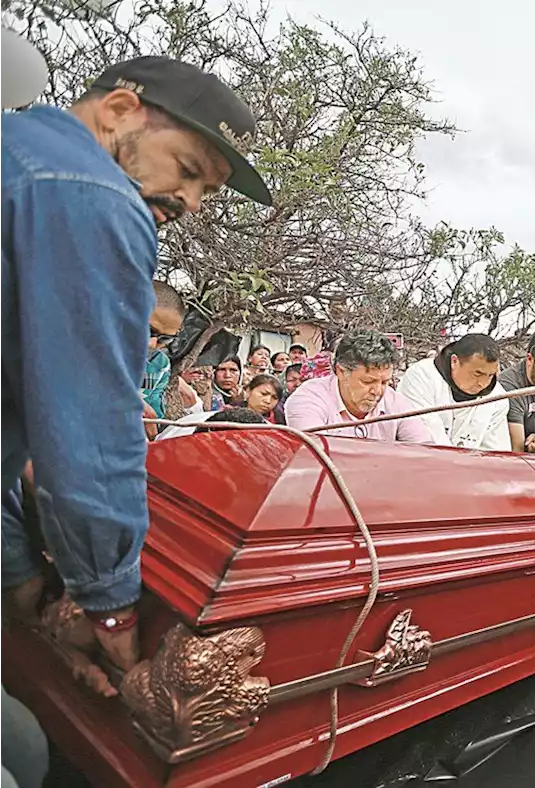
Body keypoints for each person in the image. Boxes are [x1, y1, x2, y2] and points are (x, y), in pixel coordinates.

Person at [0, 54, 270, 699]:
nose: (190, 202)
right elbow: (90, 437)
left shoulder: (17, 149)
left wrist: (16, 571)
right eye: (187, 170)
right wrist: (112, 604)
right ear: (120, 111)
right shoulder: (92, 194)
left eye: (207, 189)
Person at [285, 330, 433, 443]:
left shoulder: (396, 402)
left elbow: (425, 454)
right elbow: (314, 457)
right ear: (341, 371)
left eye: (384, 382)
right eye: (367, 382)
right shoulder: (307, 400)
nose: (377, 391)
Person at [399, 333, 509, 451]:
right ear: (454, 361)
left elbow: (496, 451)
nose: (483, 383)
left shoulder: (497, 398)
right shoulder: (421, 377)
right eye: (477, 373)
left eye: (490, 375)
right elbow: (428, 438)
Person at [141, 281, 185, 420]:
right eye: (147, 330)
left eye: (165, 339)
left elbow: (153, 418)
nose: (152, 344)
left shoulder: (158, 364)